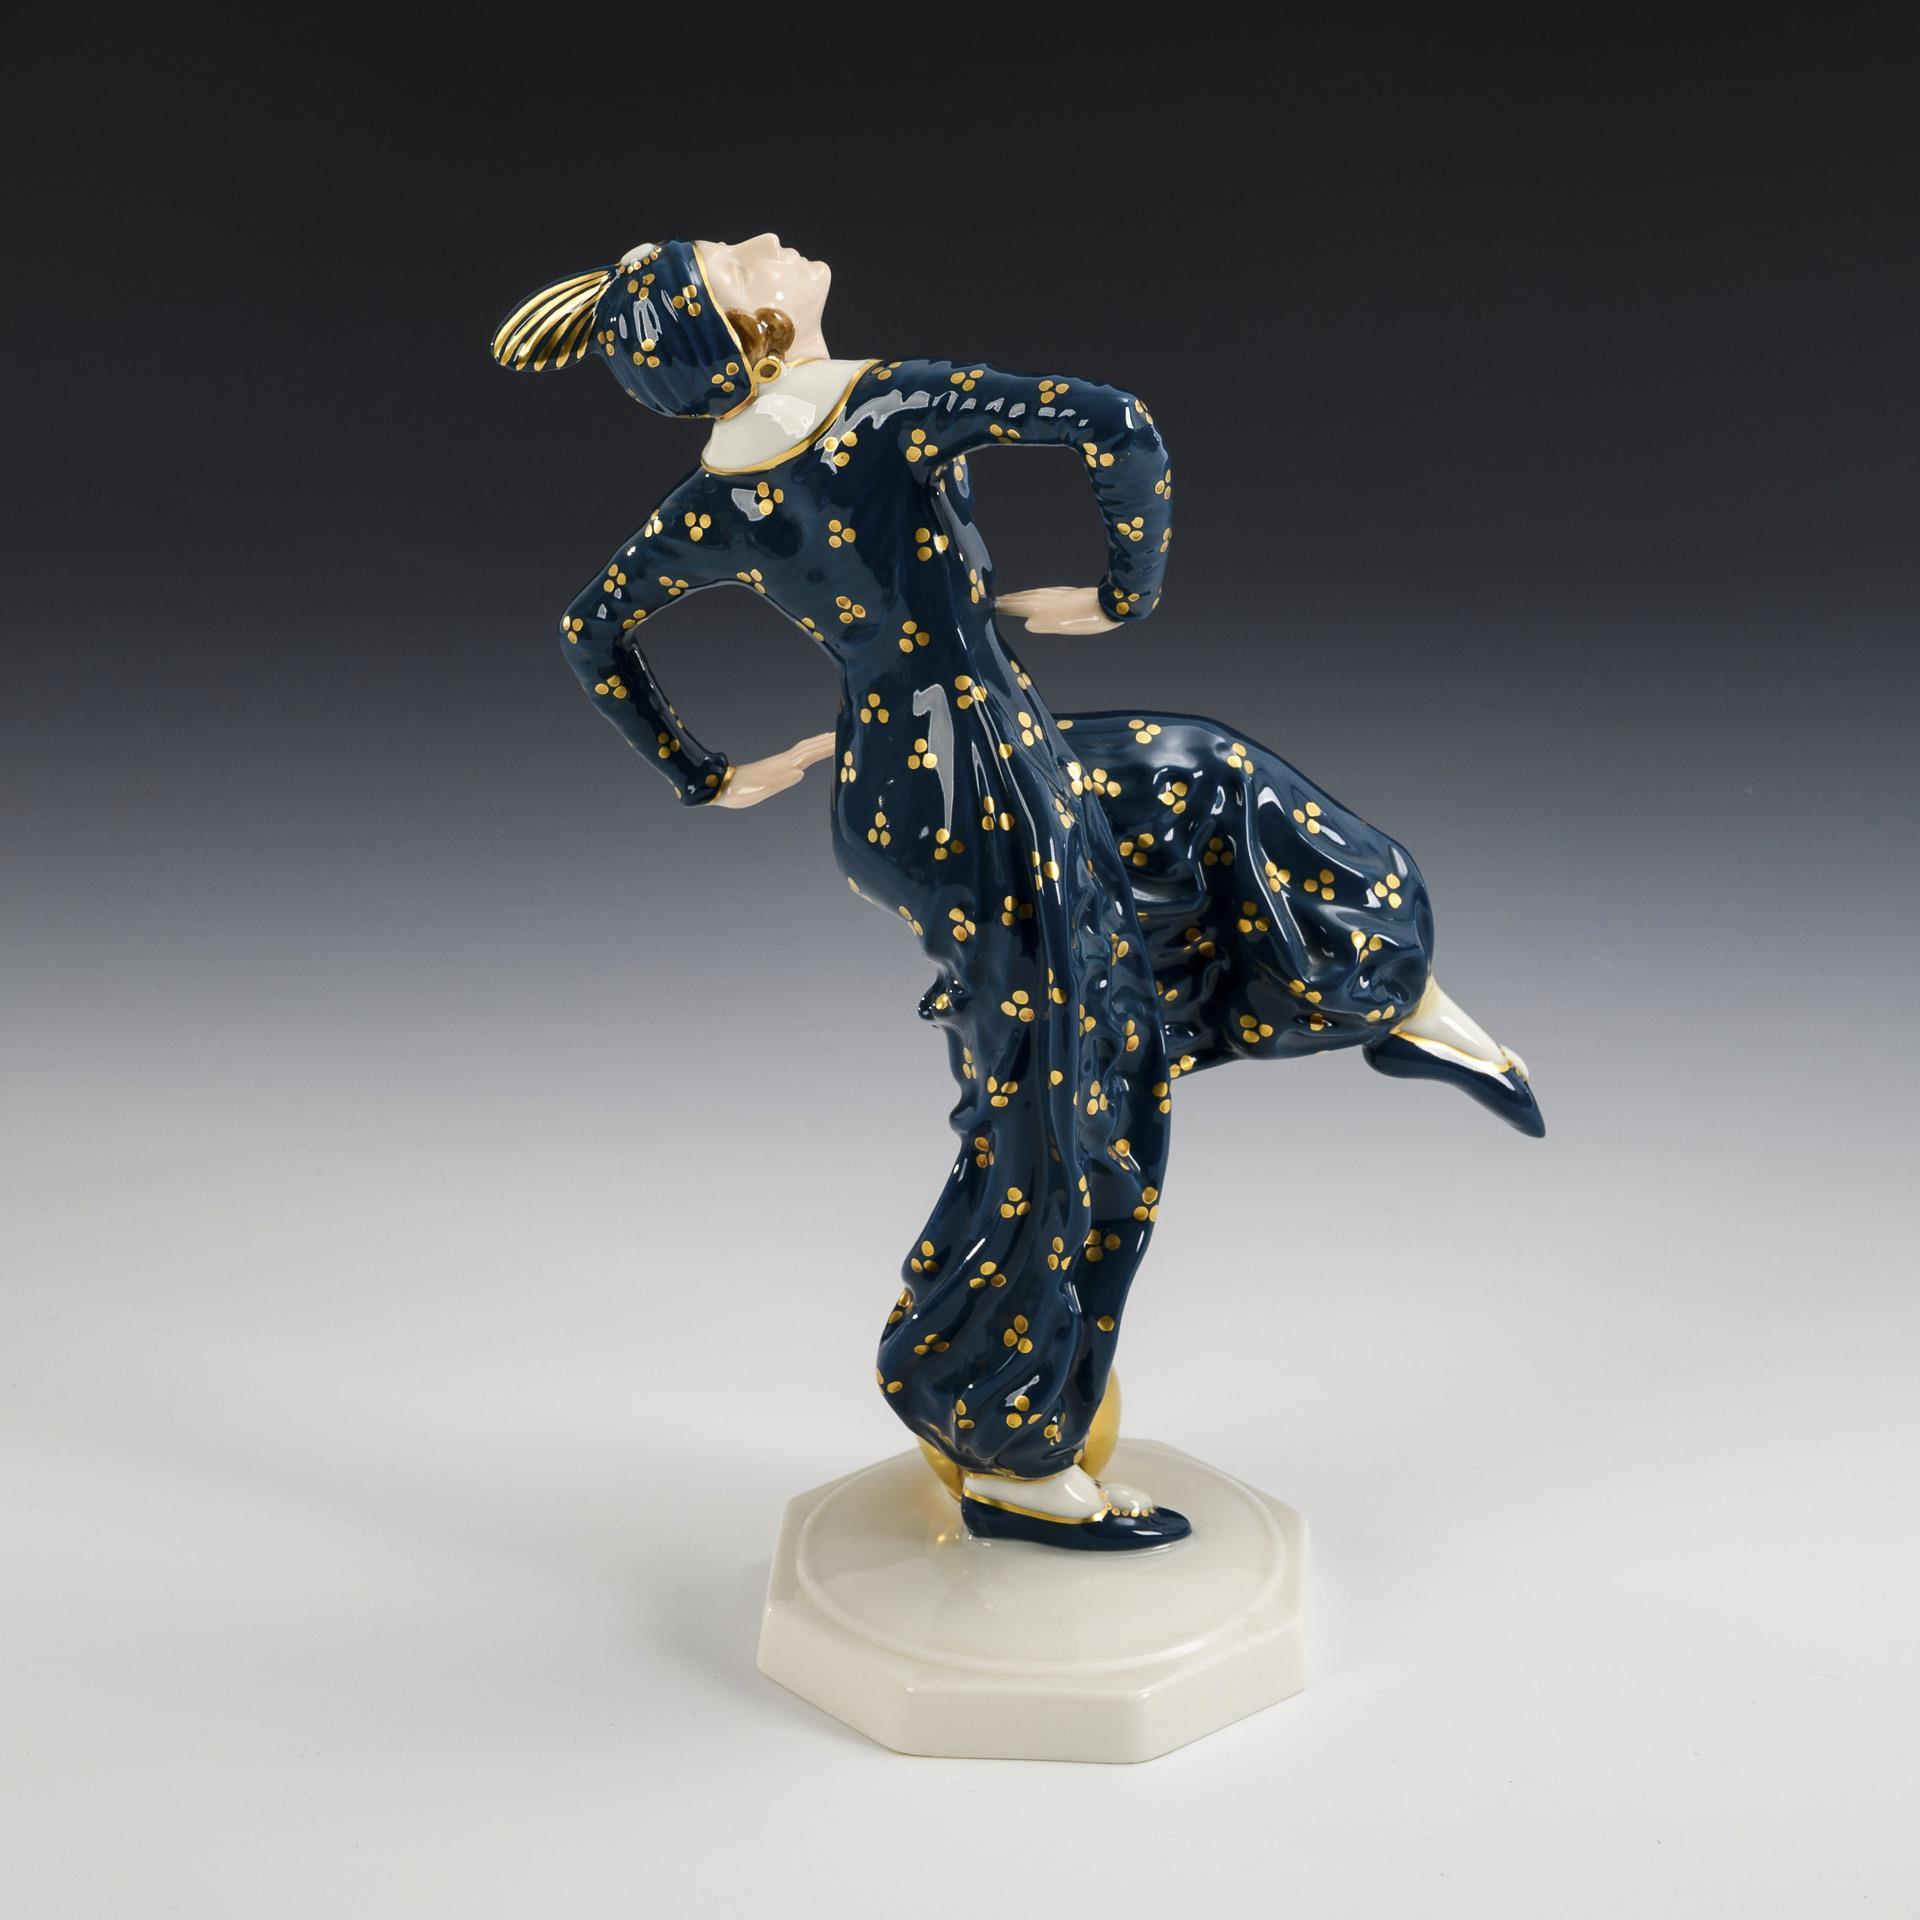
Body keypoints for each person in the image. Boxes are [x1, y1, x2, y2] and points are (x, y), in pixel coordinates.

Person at [493, 234, 1542, 1550]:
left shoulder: (715, 500)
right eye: (741, 260)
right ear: (749, 330)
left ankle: (1389, 993)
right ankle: (1005, 1442)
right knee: (1073, 1092)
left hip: (911, 778)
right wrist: (1124, 591)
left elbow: (590, 627)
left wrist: (708, 777)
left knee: (1203, 777)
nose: (770, 243)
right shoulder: (884, 403)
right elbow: (1118, 422)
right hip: (981, 781)